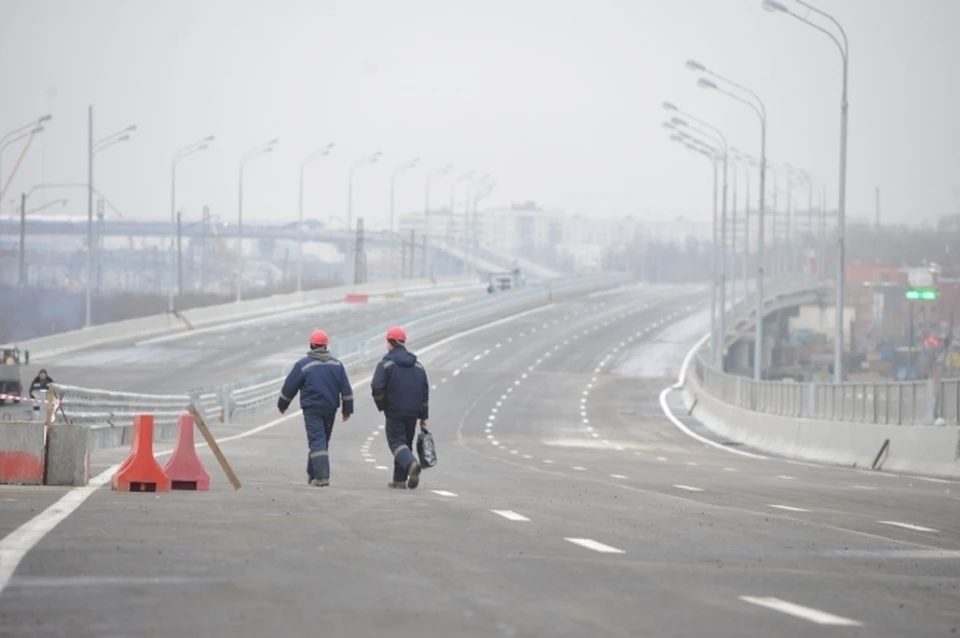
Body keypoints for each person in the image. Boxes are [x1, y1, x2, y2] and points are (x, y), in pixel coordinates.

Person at [278, 330, 354, 487]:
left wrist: (282, 404)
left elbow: (290, 387)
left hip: (312, 409)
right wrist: (347, 409)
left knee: (317, 440)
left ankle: (321, 477)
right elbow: (346, 389)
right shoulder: (337, 365)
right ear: (326, 345)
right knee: (322, 440)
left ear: (311, 344)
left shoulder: (304, 365)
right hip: (330, 409)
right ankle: (312, 472)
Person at [371, 326, 430, 490]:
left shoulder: (386, 364)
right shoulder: (418, 366)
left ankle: (411, 464)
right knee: (406, 444)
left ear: (390, 343)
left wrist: (382, 405)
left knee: (396, 442)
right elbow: (424, 392)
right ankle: (399, 480)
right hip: (413, 412)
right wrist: (423, 416)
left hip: (395, 410)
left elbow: (376, 386)